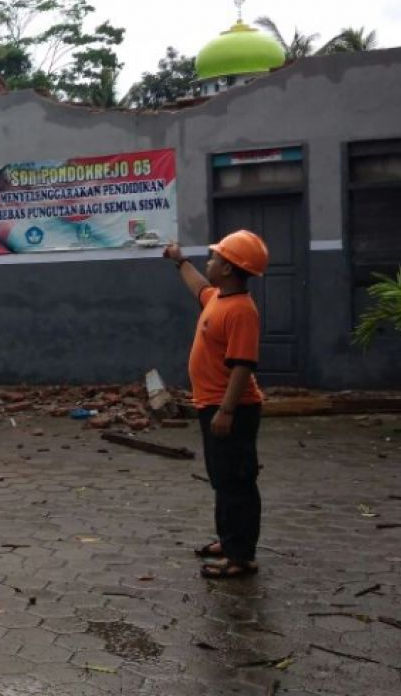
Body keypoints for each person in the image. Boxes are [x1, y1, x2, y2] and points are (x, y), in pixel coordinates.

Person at [163, 230, 269, 579]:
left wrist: (226, 411)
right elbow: (197, 287)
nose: (209, 263)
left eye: (214, 259)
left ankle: (242, 558)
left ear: (227, 268)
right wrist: (179, 260)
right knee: (223, 480)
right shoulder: (219, 298)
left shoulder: (241, 311)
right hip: (213, 405)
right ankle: (229, 540)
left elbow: (242, 366)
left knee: (237, 482)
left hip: (233, 410)